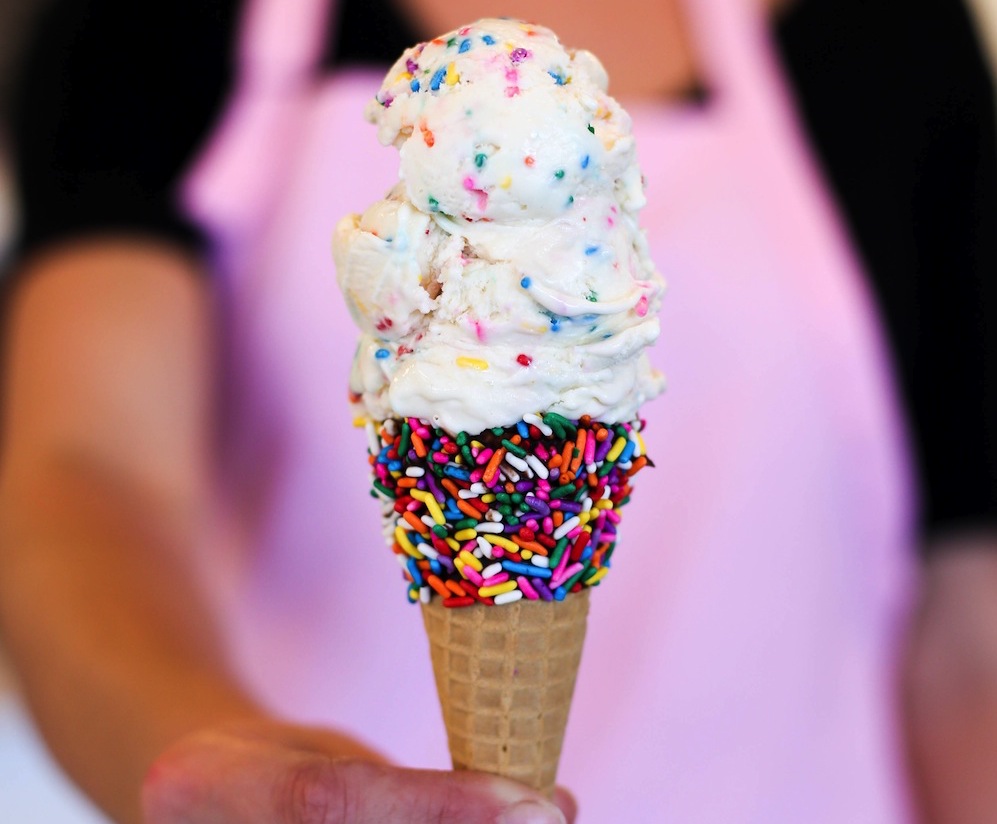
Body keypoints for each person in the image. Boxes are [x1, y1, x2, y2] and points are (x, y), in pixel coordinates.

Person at [2, 0, 996, 822]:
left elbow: (967, 625)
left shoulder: (888, 34)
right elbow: (87, 472)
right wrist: (211, 760)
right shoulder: (172, 27)